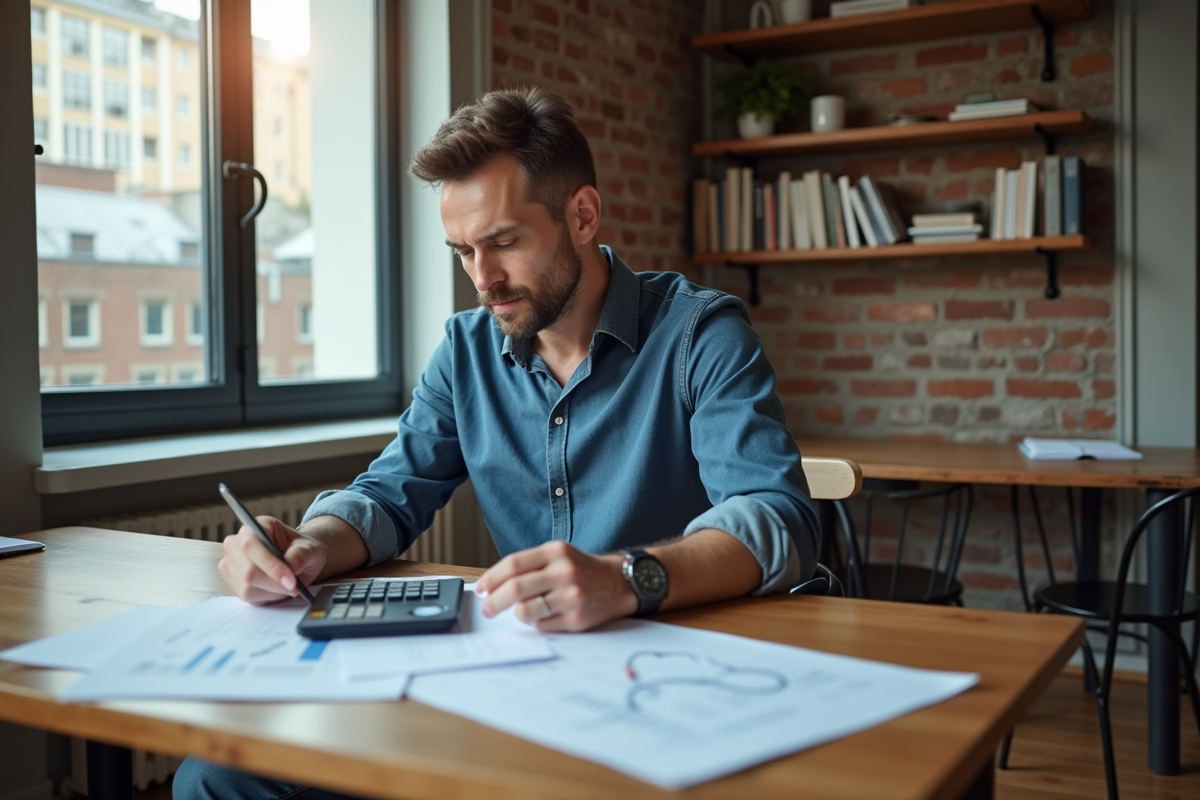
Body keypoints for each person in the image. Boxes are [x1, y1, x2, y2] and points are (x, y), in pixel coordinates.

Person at [174, 86, 817, 800]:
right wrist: (312, 546)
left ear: (582, 215)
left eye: (504, 242)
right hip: (512, 685)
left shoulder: (701, 334)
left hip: (666, 690)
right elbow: (390, 494)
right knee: (217, 775)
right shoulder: (465, 349)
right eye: (462, 252)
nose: (483, 279)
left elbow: (776, 516)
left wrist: (627, 579)